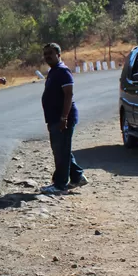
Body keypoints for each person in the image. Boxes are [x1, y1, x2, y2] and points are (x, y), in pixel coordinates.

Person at [40, 43, 88, 195]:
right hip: (54, 118)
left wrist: (63, 118)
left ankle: (60, 184)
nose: (47, 56)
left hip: (63, 118)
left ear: (58, 55)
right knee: (62, 149)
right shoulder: (53, 71)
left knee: (61, 151)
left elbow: (68, 95)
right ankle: (78, 176)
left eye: (51, 53)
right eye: (45, 54)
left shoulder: (62, 71)